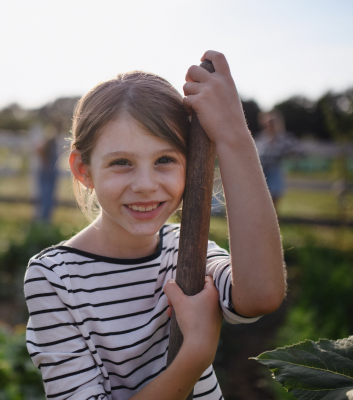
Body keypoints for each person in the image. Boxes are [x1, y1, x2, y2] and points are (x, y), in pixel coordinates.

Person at [24, 51, 286, 400]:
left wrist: (233, 135)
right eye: (121, 163)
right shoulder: (54, 278)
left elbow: (261, 295)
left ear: (190, 165)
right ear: (83, 170)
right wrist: (193, 357)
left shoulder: (190, 250)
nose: (146, 184)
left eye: (165, 159)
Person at [255, 111, 300, 209]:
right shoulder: (261, 138)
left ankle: (274, 222)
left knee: (274, 200)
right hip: (262, 171)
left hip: (275, 169)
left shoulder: (284, 138)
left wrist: (288, 154)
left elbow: (296, 150)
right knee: (262, 200)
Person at [35, 121, 62, 222]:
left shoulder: (51, 139)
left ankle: (45, 220)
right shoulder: (51, 139)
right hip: (48, 172)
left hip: (49, 172)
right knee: (46, 197)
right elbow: (39, 148)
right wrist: (45, 161)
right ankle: (44, 220)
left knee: (48, 197)